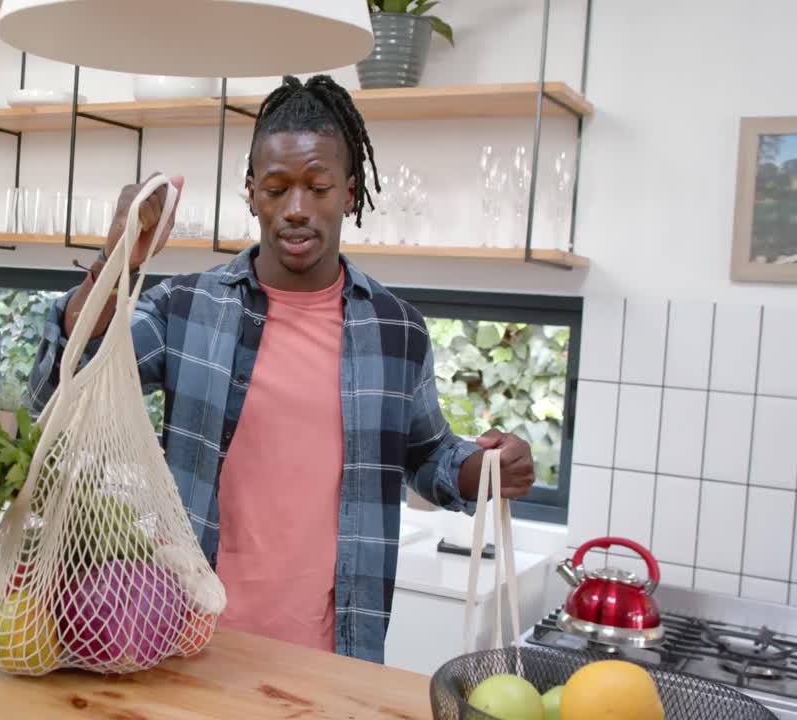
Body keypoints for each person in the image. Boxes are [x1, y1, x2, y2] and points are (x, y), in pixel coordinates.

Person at [29, 74, 537, 664]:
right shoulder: (186, 308)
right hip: (187, 642)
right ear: (250, 192)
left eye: (318, 187)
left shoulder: (398, 330)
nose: (297, 209)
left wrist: (485, 468)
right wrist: (115, 258)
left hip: (333, 658)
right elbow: (62, 390)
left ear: (349, 193)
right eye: (276, 188)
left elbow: (425, 455)